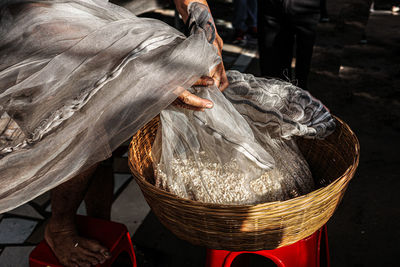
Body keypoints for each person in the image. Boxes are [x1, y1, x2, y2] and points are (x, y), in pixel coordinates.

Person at [0, 0, 227, 266]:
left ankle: (100, 224)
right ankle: (60, 227)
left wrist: (207, 31)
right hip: (35, 29)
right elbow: (34, 15)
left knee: (103, 132)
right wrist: (139, 68)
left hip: (97, 18)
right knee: (73, 130)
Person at [257, 0, 320, 89]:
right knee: (271, 72)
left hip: (306, 6)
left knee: (304, 72)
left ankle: (301, 95)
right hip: (271, 7)